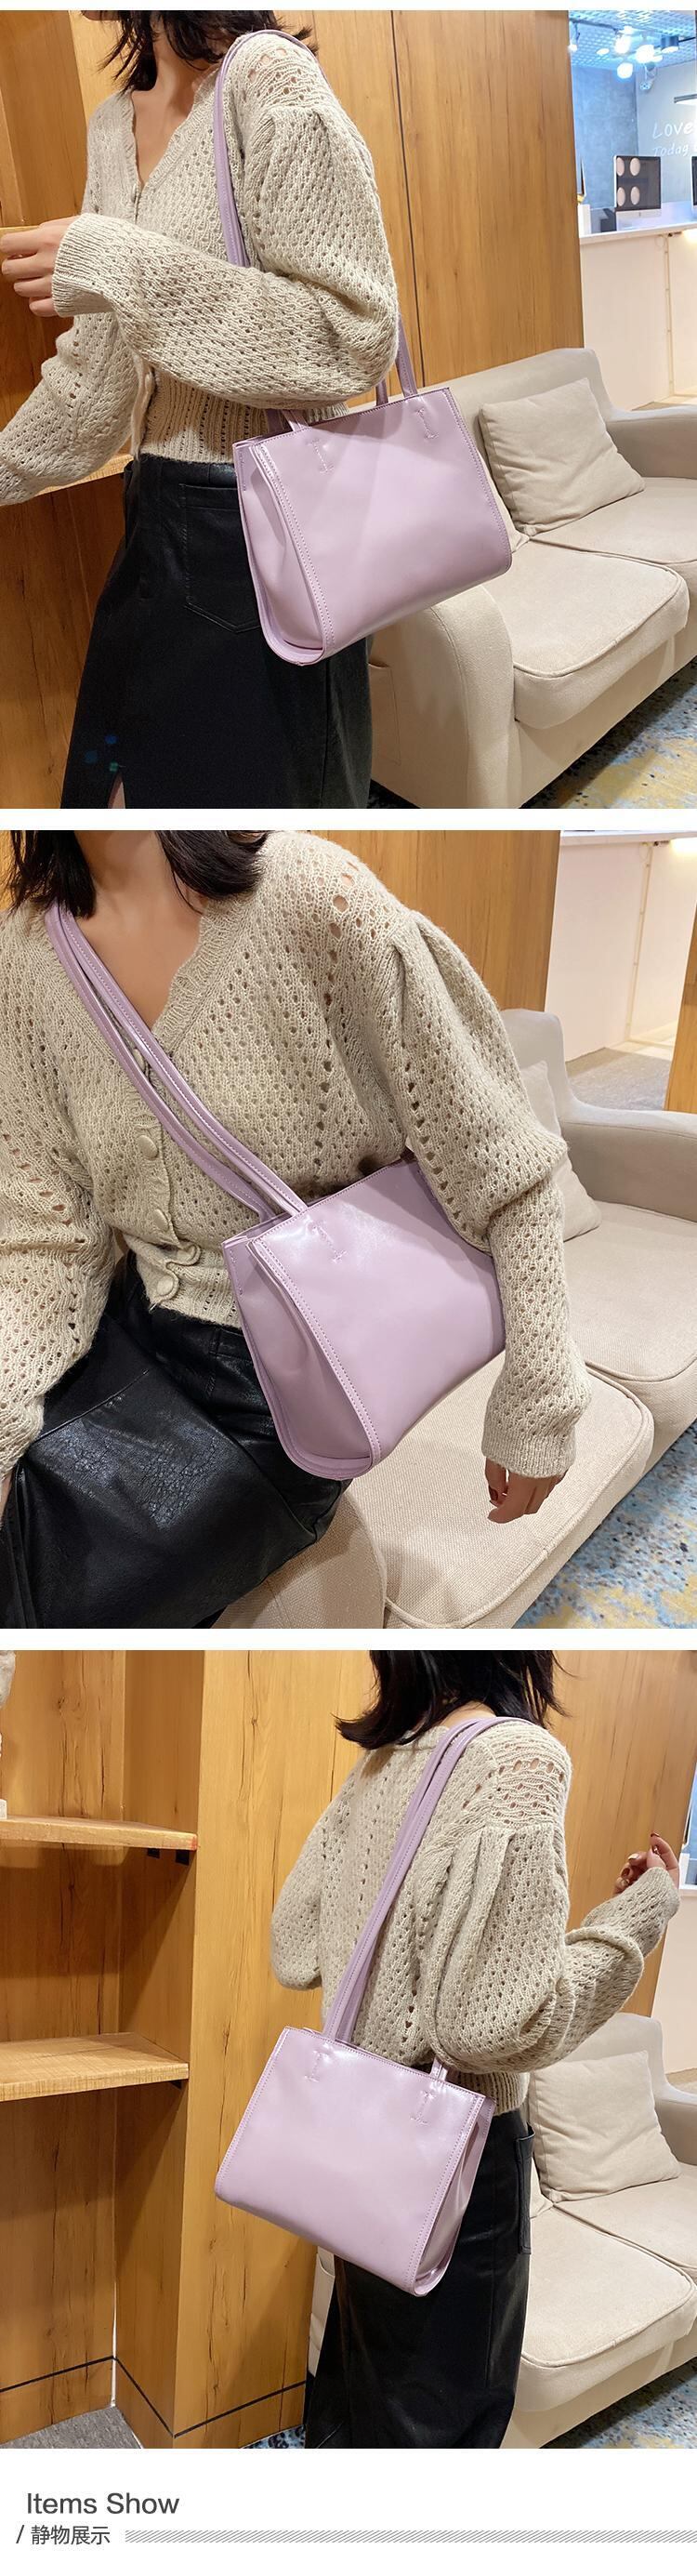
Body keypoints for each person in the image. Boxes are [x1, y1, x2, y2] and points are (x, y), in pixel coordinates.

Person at [0, 827, 590, 1624]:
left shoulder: (315, 898)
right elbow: (45, 1239)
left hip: (284, 1393)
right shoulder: (27, 955)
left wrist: (540, 1399)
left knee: (34, 1584)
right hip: (126, 1328)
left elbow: (504, 1161)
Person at [270, 1648, 681, 2450]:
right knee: (442, 2428)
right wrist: (636, 1918)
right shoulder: (517, 1759)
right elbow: (494, 2027)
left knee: (360, 2393)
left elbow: (293, 1944)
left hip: (357, 2136)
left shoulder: (382, 1763)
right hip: (457, 2153)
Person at [0, 12, 399, 804]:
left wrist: (118, 260)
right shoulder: (111, 125)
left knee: (251, 823)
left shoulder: (268, 81)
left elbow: (351, 338)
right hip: (155, 519)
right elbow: (96, 378)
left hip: (269, 531)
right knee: (107, 804)